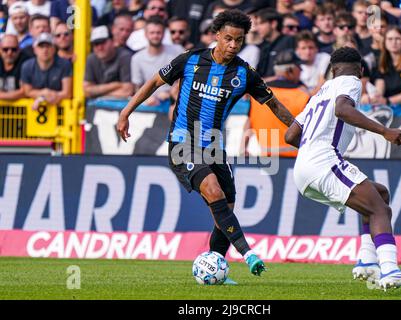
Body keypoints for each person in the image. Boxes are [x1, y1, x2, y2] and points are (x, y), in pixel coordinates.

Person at [117, 9, 296, 280]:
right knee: (213, 190)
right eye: (228, 39)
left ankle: (216, 267)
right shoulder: (191, 60)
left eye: (239, 40)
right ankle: (248, 254)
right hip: (182, 143)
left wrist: (301, 134)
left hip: (214, 148)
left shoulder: (244, 73)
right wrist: (125, 112)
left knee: (227, 206)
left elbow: (274, 105)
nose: (233, 45)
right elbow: (154, 82)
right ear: (217, 36)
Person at [284, 46, 401, 291]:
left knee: (379, 194)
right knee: (379, 209)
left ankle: (366, 260)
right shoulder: (351, 81)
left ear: (331, 69)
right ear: (361, 69)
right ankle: (390, 270)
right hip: (323, 161)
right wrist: (385, 131)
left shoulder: (319, 93)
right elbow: (343, 110)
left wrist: (313, 147)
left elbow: (290, 135)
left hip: (303, 169)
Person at [131, 16, 184, 105]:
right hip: (149, 102)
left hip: (175, 100)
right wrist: (147, 98)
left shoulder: (178, 51)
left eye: (158, 32)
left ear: (164, 33)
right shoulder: (137, 58)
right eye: (152, 33)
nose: (155, 36)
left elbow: (185, 77)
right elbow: (137, 87)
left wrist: (170, 93)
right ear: (146, 34)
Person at [20, 32, 72, 107]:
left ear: (54, 49)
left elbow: (67, 93)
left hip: (60, 112)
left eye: (48, 46)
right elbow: (27, 91)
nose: (45, 50)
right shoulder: (27, 66)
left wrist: (43, 97)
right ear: (35, 50)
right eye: (41, 46)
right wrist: (44, 94)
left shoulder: (64, 64)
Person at [84, 25, 134, 99]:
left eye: (103, 42)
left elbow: (127, 91)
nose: (99, 47)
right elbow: (86, 91)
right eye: (96, 44)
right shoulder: (91, 58)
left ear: (113, 41)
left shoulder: (125, 56)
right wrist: (116, 85)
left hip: (122, 106)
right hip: (98, 107)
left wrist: (96, 93)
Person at [0, 34, 28, 100]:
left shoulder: (26, 62)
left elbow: (25, 91)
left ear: (19, 49)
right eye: (5, 49)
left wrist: (1, 96)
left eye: (14, 49)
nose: (9, 53)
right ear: (0, 50)